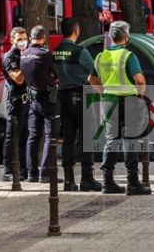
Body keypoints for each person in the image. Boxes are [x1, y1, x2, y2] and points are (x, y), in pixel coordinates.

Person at [88, 21, 151, 196]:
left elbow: (91, 79)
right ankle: (133, 183)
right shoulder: (128, 56)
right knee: (130, 140)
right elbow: (139, 79)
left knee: (111, 139)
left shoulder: (100, 56)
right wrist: (140, 95)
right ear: (126, 36)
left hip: (109, 100)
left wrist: (104, 92)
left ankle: (108, 182)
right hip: (129, 101)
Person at [53, 18, 102, 192]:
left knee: (68, 139)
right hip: (82, 95)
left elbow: (55, 74)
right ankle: (87, 179)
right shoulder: (80, 51)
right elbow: (94, 73)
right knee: (88, 138)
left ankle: (68, 180)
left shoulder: (56, 51)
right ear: (76, 30)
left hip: (64, 96)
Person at [20, 25, 62, 183]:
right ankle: (46, 173)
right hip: (48, 99)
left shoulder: (24, 55)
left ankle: (32, 173)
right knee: (51, 136)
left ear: (31, 38)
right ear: (44, 39)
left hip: (33, 100)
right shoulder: (45, 54)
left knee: (33, 136)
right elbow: (56, 73)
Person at [0, 27, 29, 182]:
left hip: (27, 99)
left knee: (25, 136)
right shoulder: (9, 57)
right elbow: (18, 78)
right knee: (12, 136)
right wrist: (25, 60)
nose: (23, 42)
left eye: (25, 38)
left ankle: (24, 169)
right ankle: (8, 170)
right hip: (15, 100)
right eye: (19, 39)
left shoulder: (25, 54)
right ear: (12, 41)